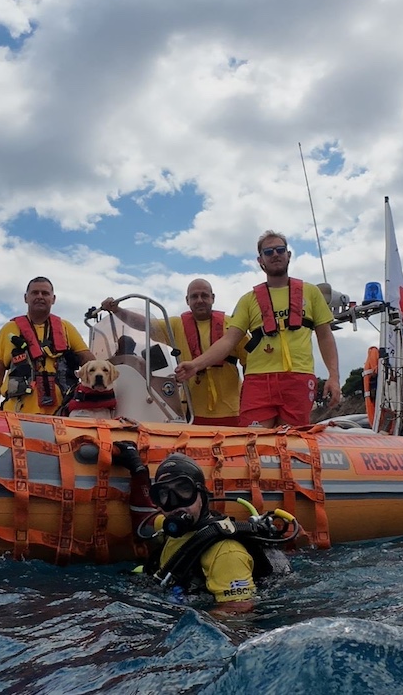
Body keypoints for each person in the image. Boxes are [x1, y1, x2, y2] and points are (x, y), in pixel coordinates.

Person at [175, 231, 340, 427]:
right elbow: (228, 341)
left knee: (295, 441)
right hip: (259, 381)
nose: (275, 255)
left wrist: (334, 376)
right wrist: (195, 365)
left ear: (288, 255)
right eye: (269, 252)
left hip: (299, 378)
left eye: (280, 250)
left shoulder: (311, 293)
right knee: (253, 442)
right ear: (260, 259)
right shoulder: (248, 300)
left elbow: (325, 336)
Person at [112, 443, 295, 613]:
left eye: (183, 489)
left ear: (201, 494)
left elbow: (239, 610)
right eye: (163, 494)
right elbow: (143, 522)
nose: (174, 502)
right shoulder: (175, 528)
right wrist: (138, 470)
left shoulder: (226, 552)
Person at [100, 279, 249, 425]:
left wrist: (248, 401)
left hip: (232, 409)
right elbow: (145, 325)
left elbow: (249, 362)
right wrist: (117, 310)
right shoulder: (177, 325)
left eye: (204, 295)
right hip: (191, 410)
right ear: (187, 300)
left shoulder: (232, 325)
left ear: (213, 298)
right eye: (194, 296)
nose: (199, 300)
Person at [0, 277, 95, 414]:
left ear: (53, 299)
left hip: (62, 413)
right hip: (17, 412)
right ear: (26, 298)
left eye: (45, 293)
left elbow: (89, 361)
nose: (40, 296)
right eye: (35, 293)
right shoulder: (9, 329)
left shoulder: (66, 328)